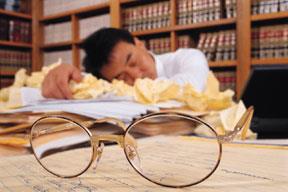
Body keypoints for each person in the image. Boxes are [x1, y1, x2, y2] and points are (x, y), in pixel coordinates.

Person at [42, 27, 209, 99]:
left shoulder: (189, 57)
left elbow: (190, 88)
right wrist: (66, 73)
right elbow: (96, 85)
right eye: (122, 77)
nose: (136, 76)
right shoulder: (113, 84)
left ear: (139, 44)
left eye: (133, 61)